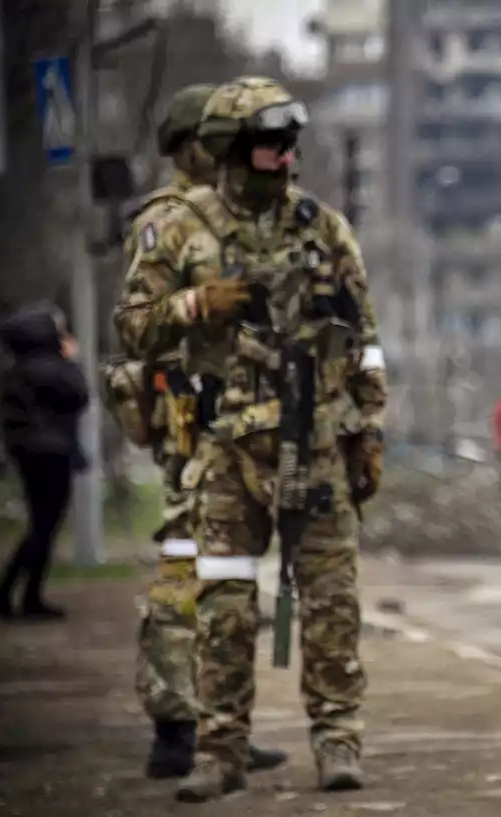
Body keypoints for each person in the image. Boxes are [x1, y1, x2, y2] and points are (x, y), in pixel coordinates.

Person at [114, 77, 387, 802]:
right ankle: (219, 750)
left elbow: (363, 339)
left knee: (331, 602)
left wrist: (370, 430)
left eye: (290, 142)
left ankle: (338, 740)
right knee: (226, 605)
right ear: (232, 149)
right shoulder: (182, 229)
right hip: (229, 450)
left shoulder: (323, 228)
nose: (284, 154)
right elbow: (133, 325)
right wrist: (198, 303)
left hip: (317, 442)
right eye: (269, 142)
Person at [105, 83, 287, 781]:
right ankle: (173, 722)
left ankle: (223, 721)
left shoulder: (243, 215)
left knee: (233, 574)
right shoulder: (168, 220)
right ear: (192, 146)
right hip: (190, 414)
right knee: (185, 564)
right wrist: (197, 300)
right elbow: (135, 323)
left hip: (245, 418)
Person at [0, 306, 87, 620]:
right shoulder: (50, 367)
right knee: (44, 527)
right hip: (51, 454)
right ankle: (14, 595)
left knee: (40, 526)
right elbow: (79, 394)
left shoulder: (18, 368)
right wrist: (72, 361)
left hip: (31, 454)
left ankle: (18, 595)